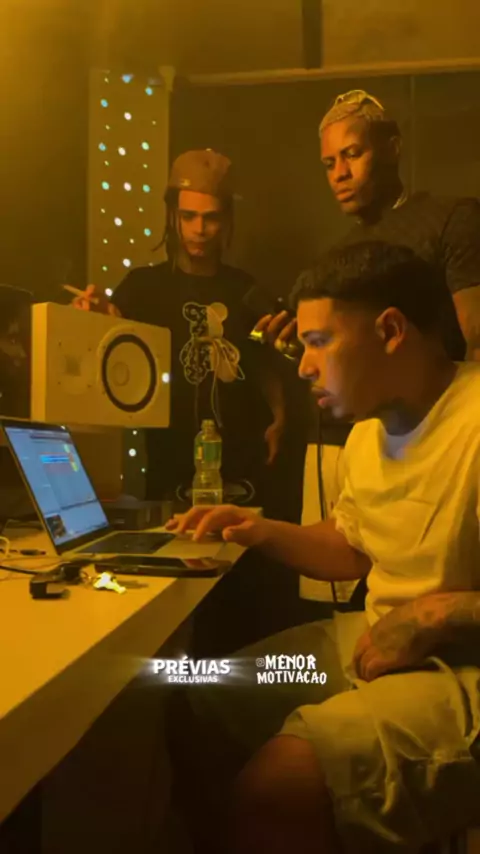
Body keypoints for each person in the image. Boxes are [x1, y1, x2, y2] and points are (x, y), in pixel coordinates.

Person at [166, 242, 480, 854]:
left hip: (461, 671)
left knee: (276, 788)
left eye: (318, 342)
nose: (304, 367)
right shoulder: (366, 436)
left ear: (390, 330)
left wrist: (435, 615)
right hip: (374, 637)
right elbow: (351, 547)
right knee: (206, 689)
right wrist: (257, 528)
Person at [73, 150, 286, 511]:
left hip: (242, 470)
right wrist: (96, 317)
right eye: (188, 216)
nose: (199, 230)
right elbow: (113, 339)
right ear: (173, 215)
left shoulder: (245, 289)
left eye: (210, 218)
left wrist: (279, 417)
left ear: (226, 218)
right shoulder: (142, 287)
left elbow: (262, 362)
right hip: (168, 467)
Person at [260, 88, 480, 364]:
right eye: (329, 164)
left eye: (352, 154)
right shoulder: (338, 258)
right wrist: (301, 348)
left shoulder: (451, 219)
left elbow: (477, 342)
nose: (340, 174)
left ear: (392, 149)